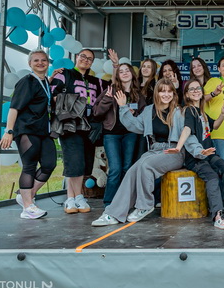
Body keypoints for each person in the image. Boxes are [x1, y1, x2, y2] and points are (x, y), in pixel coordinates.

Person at [91, 79, 185, 226]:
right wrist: (123, 107)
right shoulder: (149, 111)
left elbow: (189, 134)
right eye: (162, 91)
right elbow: (133, 125)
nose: (166, 94)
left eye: (169, 91)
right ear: (157, 93)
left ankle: (145, 205)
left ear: (174, 93)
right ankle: (113, 214)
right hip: (155, 150)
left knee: (145, 164)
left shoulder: (179, 112)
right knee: (132, 171)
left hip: (174, 151)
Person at [169, 79, 224, 229]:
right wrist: (178, 146)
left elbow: (214, 125)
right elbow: (187, 129)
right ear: (187, 94)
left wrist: (223, 113)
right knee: (212, 176)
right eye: (192, 89)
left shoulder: (202, 112)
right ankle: (218, 215)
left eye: (198, 88)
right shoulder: (189, 110)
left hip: (209, 154)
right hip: (196, 158)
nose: (196, 91)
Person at [0, 49, 56, 219]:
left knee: (49, 164)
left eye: (43, 60)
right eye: (36, 60)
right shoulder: (26, 82)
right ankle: (27, 207)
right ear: (30, 64)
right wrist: (9, 131)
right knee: (29, 166)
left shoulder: (45, 82)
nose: (40, 63)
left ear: (48, 63)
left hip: (44, 131)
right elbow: (14, 108)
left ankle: (26, 196)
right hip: (26, 130)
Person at [50, 48, 102, 214]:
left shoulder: (95, 81)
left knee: (84, 163)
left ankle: (72, 199)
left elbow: (113, 88)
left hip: (89, 125)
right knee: (74, 160)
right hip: (70, 123)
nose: (86, 60)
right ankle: (76, 197)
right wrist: (70, 108)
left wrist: (115, 65)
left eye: (90, 58)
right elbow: (52, 93)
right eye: (83, 56)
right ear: (76, 57)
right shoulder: (64, 74)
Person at [93, 56, 145, 208]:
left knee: (127, 167)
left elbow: (143, 115)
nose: (124, 73)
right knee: (115, 168)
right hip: (111, 134)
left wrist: (134, 114)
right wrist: (107, 99)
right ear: (117, 75)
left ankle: (125, 200)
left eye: (127, 70)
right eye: (121, 71)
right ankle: (109, 202)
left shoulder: (138, 94)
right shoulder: (110, 90)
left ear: (132, 74)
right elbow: (97, 113)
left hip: (130, 134)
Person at [203, 56, 224, 163]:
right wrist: (214, 93)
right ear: (219, 69)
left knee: (223, 164)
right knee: (222, 164)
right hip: (216, 131)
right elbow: (201, 99)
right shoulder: (214, 81)